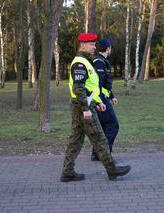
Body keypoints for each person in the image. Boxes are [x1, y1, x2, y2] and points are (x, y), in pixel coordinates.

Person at [60, 33, 131, 182]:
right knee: (99, 137)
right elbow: (78, 88)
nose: (94, 47)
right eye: (91, 44)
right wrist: (86, 109)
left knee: (76, 140)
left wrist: (98, 102)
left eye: (94, 44)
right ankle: (112, 170)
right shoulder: (80, 63)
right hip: (82, 106)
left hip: (83, 104)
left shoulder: (86, 61)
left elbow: (90, 88)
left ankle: (67, 172)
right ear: (82, 45)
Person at [91, 39, 119, 161]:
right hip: (100, 99)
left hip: (103, 98)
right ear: (108, 48)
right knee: (113, 125)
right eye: (110, 47)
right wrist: (100, 101)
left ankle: (97, 154)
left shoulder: (102, 61)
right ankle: (104, 155)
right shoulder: (98, 62)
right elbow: (98, 85)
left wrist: (111, 96)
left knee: (102, 127)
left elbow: (105, 84)